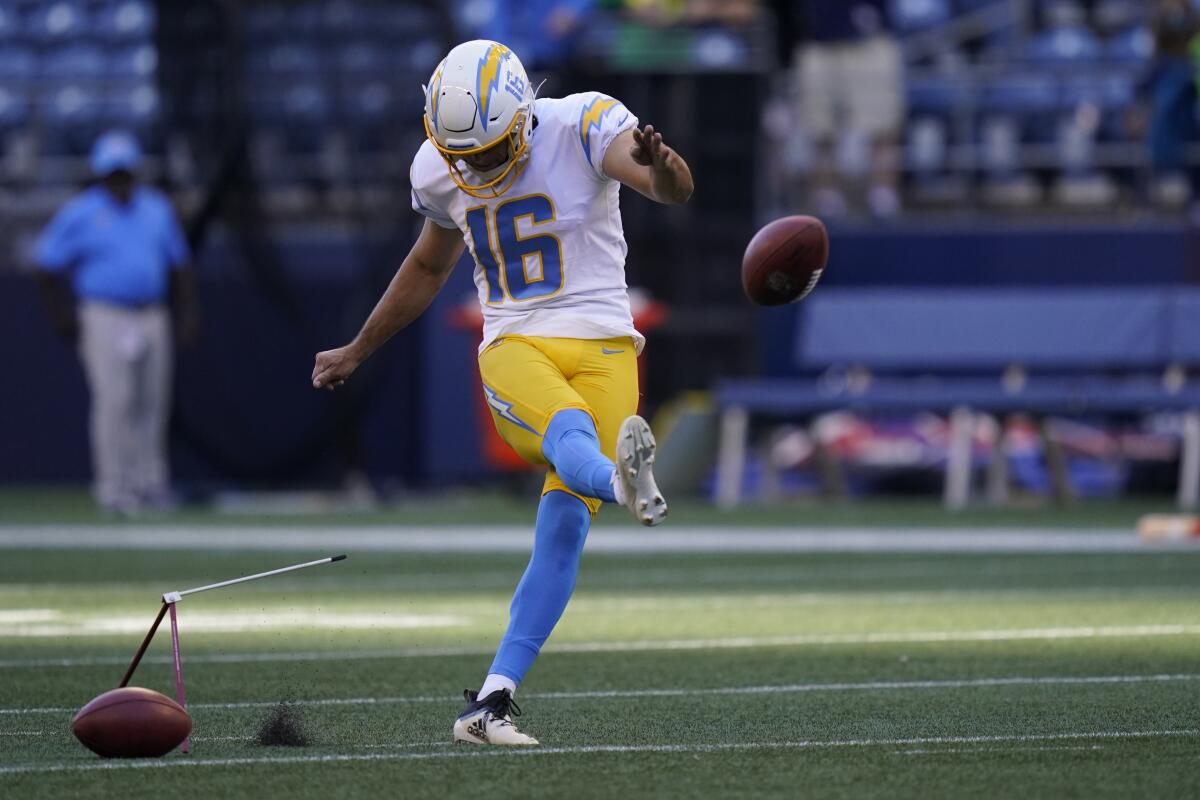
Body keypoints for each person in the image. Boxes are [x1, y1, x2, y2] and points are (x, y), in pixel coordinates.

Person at [311, 39, 693, 745]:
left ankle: (488, 703)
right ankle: (622, 480)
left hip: (609, 344)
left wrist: (663, 166)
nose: (477, 165)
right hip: (516, 342)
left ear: (523, 115)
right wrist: (359, 348)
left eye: (490, 149)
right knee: (571, 431)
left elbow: (663, 187)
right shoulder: (439, 167)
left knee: (565, 529)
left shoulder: (583, 123)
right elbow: (426, 269)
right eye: (466, 154)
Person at [35, 131, 197, 515]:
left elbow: (180, 263)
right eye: (113, 174)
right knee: (115, 401)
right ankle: (115, 487)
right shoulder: (82, 212)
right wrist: (60, 313)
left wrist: (188, 312)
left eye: (125, 173)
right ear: (101, 175)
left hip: (151, 313)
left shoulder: (156, 208)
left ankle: (151, 484)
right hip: (105, 313)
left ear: (135, 172)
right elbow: (46, 263)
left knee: (153, 401)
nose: (119, 181)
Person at [790, 0, 904, 218]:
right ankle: (826, 194)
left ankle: (883, 194)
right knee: (820, 128)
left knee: (882, 126)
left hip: (870, 37)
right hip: (818, 39)